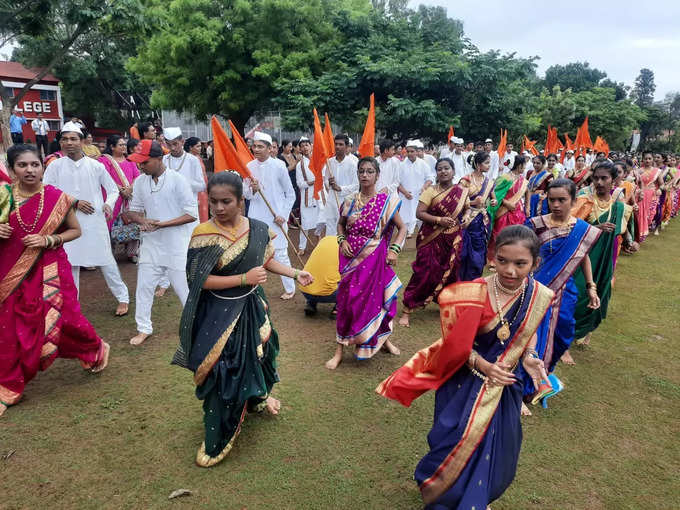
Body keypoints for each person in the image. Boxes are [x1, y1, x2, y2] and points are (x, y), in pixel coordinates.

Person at [377, 225, 553, 510]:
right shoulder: (473, 292)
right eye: (503, 261)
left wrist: (530, 355)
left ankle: (477, 496)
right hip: (465, 379)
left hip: (503, 385)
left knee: (501, 447)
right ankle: (443, 493)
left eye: (520, 264)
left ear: (535, 263)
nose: (510, 271)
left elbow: (528, 330)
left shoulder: (537, 295)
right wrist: (483, 364)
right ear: (492, 258)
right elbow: (454, 343)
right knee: (453, 439)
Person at [172, 171, 312, 467]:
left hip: (252, 308)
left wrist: (296, 273)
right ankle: (218, 435)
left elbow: (266, 260)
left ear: (241, 202)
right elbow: (199, 280)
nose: (219, 208)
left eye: (226, 202)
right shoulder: (203, 234)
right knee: (223, 370)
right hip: (219, 314)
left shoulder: (258, 230)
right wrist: (243, 278)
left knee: (262, 355)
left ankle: (258, 397)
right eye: (213, 202)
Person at [0, 144, 110, 417]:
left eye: (35, 164)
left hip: (50, 267)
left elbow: (75, 230)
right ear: (12, 170)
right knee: (11, 326)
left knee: (66, 320)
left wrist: (48, 239)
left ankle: (94, 347)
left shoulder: (57, 198)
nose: (29, 170)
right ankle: (8, 384)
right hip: (11, 272)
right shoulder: (3, 197)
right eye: (22, 165)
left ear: (42, 167)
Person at [326, 157, 406, 370]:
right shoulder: (350, 200)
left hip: (376, 258)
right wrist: (341, 240)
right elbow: (340, 225)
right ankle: (340, 349)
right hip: (350, 258)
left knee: (380, 300)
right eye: (362, 171)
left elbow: (403, 229)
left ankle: (384, 339)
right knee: (346, 301)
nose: (365, 175)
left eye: (370, 171)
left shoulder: (386, 201)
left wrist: (394, 250)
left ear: (377, 175)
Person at [42, 122, 130, 317]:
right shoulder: (55, 166)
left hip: (94, 221)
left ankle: (123, 297)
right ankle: (74, 305)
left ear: (81, 141)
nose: (68, 143)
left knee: (106, 260)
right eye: (64, 139)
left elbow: (113, 189)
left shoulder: (95, 166)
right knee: (71, 263)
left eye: (73, 139)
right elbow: (47, 191)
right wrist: (73, 202)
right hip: (67, 222)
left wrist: (108, 203)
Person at [525, 179, 600, 384]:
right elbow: (523, 254)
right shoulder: (535, 224)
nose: (556, 205)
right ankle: (523, 383)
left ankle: (544, 373)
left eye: (562, 200)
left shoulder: (581, 229)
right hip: (536, 290)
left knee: (563, 334)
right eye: (552, 200)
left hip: (565, 292)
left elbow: (583, 257)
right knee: (531, 336)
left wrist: (591, 287)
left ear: (574, 201)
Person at [126, 140, 198, 345]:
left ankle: (195, 326)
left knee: (184, 289)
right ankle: (143, 328)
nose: (140, 166)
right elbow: (133, 210)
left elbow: (191, 214)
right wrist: (143, 220)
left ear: (159, 159)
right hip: (151, 244)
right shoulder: (140, 182)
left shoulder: (178, 180)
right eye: (138, 162)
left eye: (145, 162)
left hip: (177, 245)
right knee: (144, 287)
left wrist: (162, 224)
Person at [398, 158, 468, 327]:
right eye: (440, 169)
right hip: (431, 237)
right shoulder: (430, 191)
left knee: (451, 272)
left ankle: (447, 304)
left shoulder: (461, 191)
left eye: (447, 168)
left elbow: (467, 208)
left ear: (453, 170)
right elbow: (419, 213)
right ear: (436, 173)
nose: (443, 171)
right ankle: (407, 309)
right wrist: (438, 220)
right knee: (424, 271)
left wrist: (466, 217)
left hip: (453, 238)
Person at [572, 162, 632, 345]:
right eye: (596, 178)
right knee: (578, 291)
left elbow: (624, 228)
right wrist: (596, 227)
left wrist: (630, 240)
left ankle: (587, 332)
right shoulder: (584, 200)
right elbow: (569, 228)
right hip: (584, 256)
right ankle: (567, 337)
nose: (599, 182)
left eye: (604, 178)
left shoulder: (619, 207)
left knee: (602, 289)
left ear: (613, 180)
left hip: (606, 255)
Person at [243, 131, 297, 299]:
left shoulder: (279, 166)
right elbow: (246, 195)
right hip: (256, 216)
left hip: (276, 218)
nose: (256, 149)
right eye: (254, 146)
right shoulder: (249, 166)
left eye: (260, 146)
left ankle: (290, 288)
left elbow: (290, 193)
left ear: (269, 148)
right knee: (255, 253)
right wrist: (253, 189)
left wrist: (283, 214)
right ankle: (253, 288)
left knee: (280, 253)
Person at [98, 135, 141, 263]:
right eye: (120, 145)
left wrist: (129, 189)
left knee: (132, 222)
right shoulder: (104, 161)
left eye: (124, 144)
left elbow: (137, 177)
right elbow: (105, 177)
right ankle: (108, 254)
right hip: (113, 198)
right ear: (112, 147)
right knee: (109, 224)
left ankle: (131, 253)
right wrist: (120, 190)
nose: (124, 147)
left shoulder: (130, 161)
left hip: (129, 198)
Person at [458, 151, 496, 281]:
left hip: (481, 220)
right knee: (463, 251)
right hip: (467, 218)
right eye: (486, 163)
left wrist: (493, 201)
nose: (489, 165)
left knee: (479, 251)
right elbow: (458, 200)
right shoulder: (465, 180)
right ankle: (460, 280)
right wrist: (473, 202)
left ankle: (474, 279)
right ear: (478, 165)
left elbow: (493, 197)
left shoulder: (488, 181)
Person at [487, 155, 528, 261]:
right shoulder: (505, 177)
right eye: (524, 165)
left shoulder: (522, 179)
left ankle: (512, 256)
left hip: (517, 211)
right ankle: (495, 259)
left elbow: (528, 191)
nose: (524, 168)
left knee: (515, 235)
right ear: (519, 166)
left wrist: (527, 207)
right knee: (500, 234)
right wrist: (506, 204)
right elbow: (495, 194)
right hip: (503, 212)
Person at [398, 140, 434, 238]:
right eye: (408, 151)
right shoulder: (401, 165)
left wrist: (424, 188)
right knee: (405, 216)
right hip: (406, 196)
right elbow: (397, 182)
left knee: (420, 216)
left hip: (419, 195)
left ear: (416, 152)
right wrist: (405, 192)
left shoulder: (423, 164)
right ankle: (405, 233)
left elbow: (430, 178)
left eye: (412, 151)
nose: (410, 153)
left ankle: (422, 235)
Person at [324, 134, 359, 235]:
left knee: (344, 228)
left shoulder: (352, 164)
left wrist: (340, 188)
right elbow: (325, 181)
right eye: (336, 144)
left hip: (346, 201)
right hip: (331, 199)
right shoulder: (329, 162)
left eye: (341, 144)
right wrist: (329, 183)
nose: (338, 147)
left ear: (347, 147)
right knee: (330, 226)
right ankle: (331, 249)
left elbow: (356, 185)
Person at [295, 136, 324, 255]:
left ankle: (319, 239)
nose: (305, 148)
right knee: (306, 222)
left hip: (320, 195)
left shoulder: (319, 159)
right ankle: (302, 247)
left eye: (306, 145)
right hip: (307, 195)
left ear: (311, 145)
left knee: (321, 219)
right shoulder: (299, 165)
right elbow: (299, 183)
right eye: (302, 146)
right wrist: (311, 182)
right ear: (300, 149)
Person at [299, 235, 340, 316]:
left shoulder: (324, 240)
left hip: (305, 290)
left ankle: (311, 304)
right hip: (329, 294)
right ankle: (338, 308)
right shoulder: (347, 246)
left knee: (317, 274)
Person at [184, 136, 210, 223]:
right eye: (197, 146)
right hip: (195, 191)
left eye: (200, 146)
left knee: (204, 213)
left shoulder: (198, 157)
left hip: (203, 190)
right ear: (190, 147)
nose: (200, 148)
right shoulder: (188, 159)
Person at [638, 151, 663, 239]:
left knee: (650, 215)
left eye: (649, 159)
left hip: (652, 196)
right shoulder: (638, 171)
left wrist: (659, 189)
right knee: (640, 215)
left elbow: (661, 184)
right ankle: (640, 233)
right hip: (641, 195)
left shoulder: (657, 171)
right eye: (646, 159)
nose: (647, 161)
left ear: (652, 160)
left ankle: (645, 229)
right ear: (642, 160)